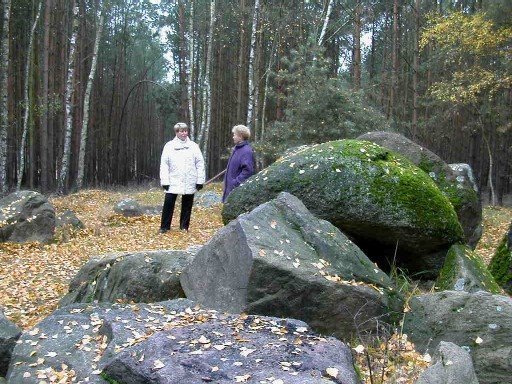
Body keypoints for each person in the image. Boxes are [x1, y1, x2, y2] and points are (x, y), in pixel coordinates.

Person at [159, 122, 205, 232]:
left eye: (185, 131)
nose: (184, 133)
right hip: (173, 179)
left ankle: (184, 227)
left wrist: (200, 180)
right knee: (169, 202)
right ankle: (164, 227)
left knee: (187, 203)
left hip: (189, 179)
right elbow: (164, 164)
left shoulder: (194, 146)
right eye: (181, 131)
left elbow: (200, 163)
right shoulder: (169, 146)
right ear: (176, 132)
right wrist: (165, 180)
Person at [222, 124, 255, 202]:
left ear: (240, 136)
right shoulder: (237, 149)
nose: (233, 137)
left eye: (234, 135)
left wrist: (235, 183)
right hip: (230, 192)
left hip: (237, 193)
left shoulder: (246, 151)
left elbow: (248, 171)